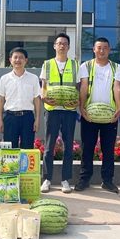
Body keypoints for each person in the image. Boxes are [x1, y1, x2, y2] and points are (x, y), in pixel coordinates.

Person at [76, 38, 120, 193]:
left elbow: (117, 88)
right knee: (87, 148)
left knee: (108, 149)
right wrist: (82, 107)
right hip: (89, 114)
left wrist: (119, 108)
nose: (102, 50)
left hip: (109, 115)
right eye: (99, 47)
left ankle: (107, 180)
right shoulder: (86, 66)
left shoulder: (117, 67)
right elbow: (83, 87)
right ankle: (84, 179)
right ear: (94, 49)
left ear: (109, 50)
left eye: (105, 47)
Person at [40, 33, 79, 194]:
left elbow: (78, 87)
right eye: (59, 43)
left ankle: (65, 180)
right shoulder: (47, 64)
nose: (62, 46)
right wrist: (44, 97)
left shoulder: (75, 65)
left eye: (64, 43)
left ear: (69, 47)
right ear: (54, 46)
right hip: (52, 109)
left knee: (68, 146)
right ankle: (47, 179)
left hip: (69, 110)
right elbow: (44, 86)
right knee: (49, 145)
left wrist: (78, 101)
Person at [0, 47, 41, 149]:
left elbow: (37, 100)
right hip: (10, 118)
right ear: (10, 60)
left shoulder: (33, 78)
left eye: (21, 57)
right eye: (15, 57)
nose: (18, 60)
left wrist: (37, 119)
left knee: (27, 149)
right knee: (10, 150)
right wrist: (0, 120)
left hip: (27, 118)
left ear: (26, 60)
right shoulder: (4, 79)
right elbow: (1, 100)